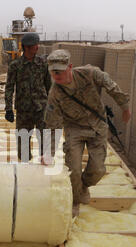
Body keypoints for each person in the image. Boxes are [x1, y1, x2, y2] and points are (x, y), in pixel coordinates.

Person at [43, 49, 131, 215]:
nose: (56, 76)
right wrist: (49, 153)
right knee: (73, 169)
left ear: (70, 67)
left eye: (59, 72)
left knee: (98, 169)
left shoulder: (89, 74)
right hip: (74, 129)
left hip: (97, 126)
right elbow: (52, 124)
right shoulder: (55, 93)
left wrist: (124, 107)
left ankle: (83, 186)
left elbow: (111, 86)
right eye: (53, 72)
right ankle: (74, 201)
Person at [4, 33, 51, 162]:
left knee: (44, 141)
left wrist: (52, 106)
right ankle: (25, 170)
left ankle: (44, 167)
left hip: (41, 108)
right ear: (26, 47)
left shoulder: (42, 63)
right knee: (23, 143)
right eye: (34, 45)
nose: (37, 47)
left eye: (37, 44)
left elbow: (49, 86)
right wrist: (8, 108)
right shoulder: (15, 65)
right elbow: (9, 87)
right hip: (23, 110)